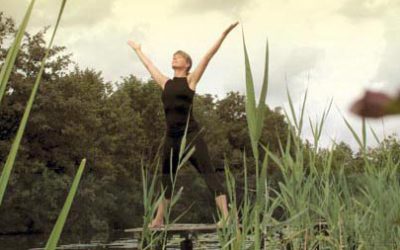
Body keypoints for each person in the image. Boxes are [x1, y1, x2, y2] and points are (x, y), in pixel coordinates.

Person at [128, 21, 239, 228]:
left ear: (187, 64)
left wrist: (223, 34)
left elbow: (208, 57)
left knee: (208, 173)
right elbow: (149, 65)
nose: (174, 58)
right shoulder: (165, 83)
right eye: (173, 57)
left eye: (178, 57)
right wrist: (138, 50)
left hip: (191, 135)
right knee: (166, 178)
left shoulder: (191, 80)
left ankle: (227, 216)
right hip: (172, 137)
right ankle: (159, 219)